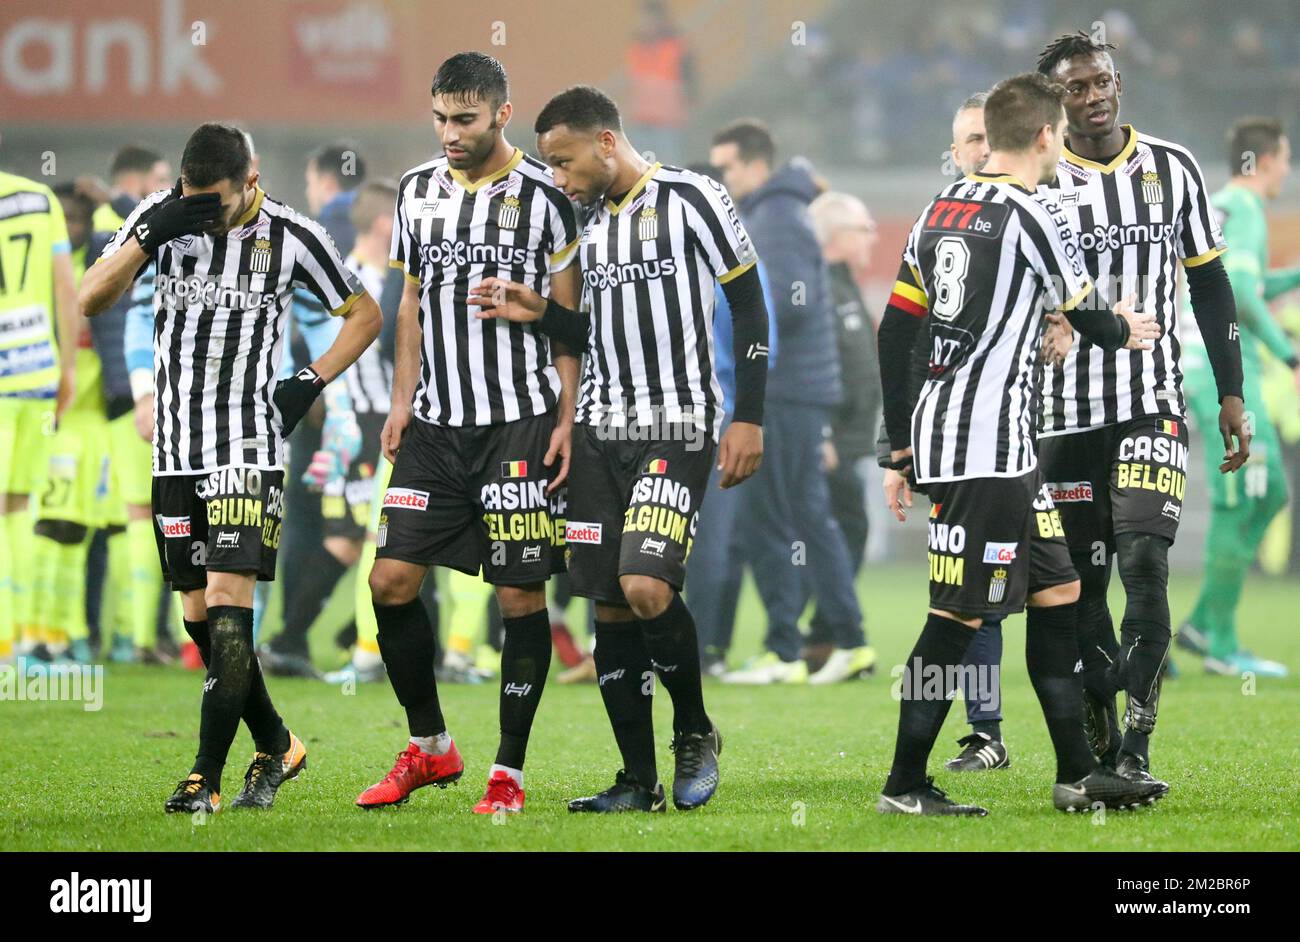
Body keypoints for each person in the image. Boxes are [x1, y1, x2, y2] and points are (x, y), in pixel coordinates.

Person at [472, 83, 769, 813]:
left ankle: (695, 730)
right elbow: (595, 335)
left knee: (645, 587)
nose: (561, 178)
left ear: (606, 142)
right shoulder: (588, 225)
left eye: (566, 161)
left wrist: (749, 417)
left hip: (676, 425)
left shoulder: (694, 197)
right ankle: (637, 781)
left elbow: (749, 302)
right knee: (608, 605)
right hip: (603, 431)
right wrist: (542, 313)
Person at [876, 72, 1167, 816]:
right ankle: (905, 782)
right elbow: (1089, 316)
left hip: (985, 444)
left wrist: (903, 441)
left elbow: (897, 329)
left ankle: (1076, 772)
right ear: (1047, 135)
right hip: (984, 449)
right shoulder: (1036, 212)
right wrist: (1127, 329)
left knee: (1059, 590)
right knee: (957, 614)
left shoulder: (940, 205)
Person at [79, 122, 382, 814]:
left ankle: (205, 778)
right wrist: (148, 233)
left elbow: (361, 315)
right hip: (176, 449)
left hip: (248, 443)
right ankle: (276, 740)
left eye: (212, 202)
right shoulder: (162, 220)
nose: (202, 215)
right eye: (192, 201)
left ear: (250, 181)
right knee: (198, 616)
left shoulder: (292, 235)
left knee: (226, 603)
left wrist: (309, 379)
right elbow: (91, 297)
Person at [357, 53, 580, 817]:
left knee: (520, 596)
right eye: (440, 120)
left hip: (518, 418)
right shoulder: (417, 191)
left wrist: (568, 415)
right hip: (435, 423)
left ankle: (507, 773)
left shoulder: (550, 195)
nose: (450, 133)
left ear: (502, 114)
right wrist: (400, 401)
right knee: (389, 581)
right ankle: (430, 747)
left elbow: (572, 316)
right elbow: (412, 303)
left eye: (465, 120)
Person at [1034, 32, 1249, 784]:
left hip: (1150, 400)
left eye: (1100, 82)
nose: (1092, 97)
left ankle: (1137, 745)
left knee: (1144, 563)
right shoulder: (1036, 179)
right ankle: (1097, 705)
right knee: (1084, 584)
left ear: (1118, 81)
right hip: (1061, 414)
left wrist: (1231, 392)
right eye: (1074, 89)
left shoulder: (1173, 166)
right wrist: (1049, 326)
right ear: (1054, 100)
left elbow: (1211, 284)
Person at [708, 120, 871, 685]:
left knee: (772, 519)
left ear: (756, 165)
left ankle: (793, 647)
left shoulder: (774, 217)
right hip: (791, 389)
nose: (723, 179)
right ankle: (837, 641)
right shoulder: (772, 213)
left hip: (787, 391)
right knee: (795, 515)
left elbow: (784, 306)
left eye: (727, 167)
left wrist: (731, 312)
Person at [1177, 117, 1298, 677]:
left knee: (1268, 490)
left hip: (1202, 368)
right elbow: (1244, 298)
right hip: (1229, 376)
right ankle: (1219, 642)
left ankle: (1205, 624)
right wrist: (1290, 355)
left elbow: (1243, 284)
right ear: (1269, 159)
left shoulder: (1215, 203)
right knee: (1245, 493)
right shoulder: (1247, 210)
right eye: (1286, 157)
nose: (1288, 170)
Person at [0, 160, 80, 665]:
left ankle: (6, 640)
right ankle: (22, 640)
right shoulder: (38, 197)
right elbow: (65, 289)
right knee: (19, 508)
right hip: (37, 369)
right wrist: (66, 366)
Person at [803, 190, 881, 682]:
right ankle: (826, 636)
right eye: (862, 228)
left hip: (850, 441)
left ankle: (822, 636)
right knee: (837, 534)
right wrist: (822, 431)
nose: (871, 236)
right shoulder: (817, 287)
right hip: (828, 441)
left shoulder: (845, 284)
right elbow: (810, 364)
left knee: (844, 532)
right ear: (837, 235)